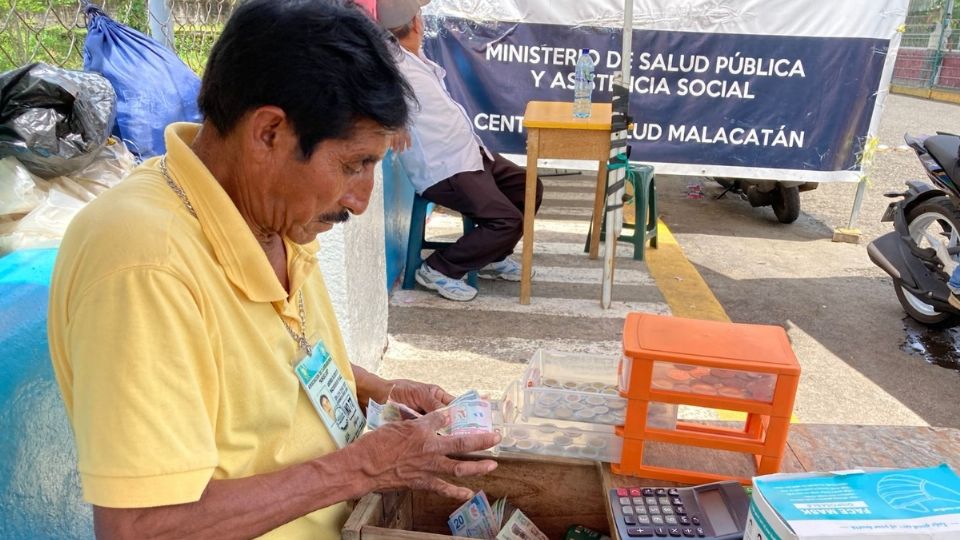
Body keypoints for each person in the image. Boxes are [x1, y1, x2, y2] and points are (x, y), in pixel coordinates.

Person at [46, 1, 500, 538]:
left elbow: (278, 361)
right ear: (268, 134)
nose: (360, 200)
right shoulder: (145, 264)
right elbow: (142, 527)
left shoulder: (272, 218)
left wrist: (381, 391)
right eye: (354, 165)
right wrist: (365, 465)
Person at [377, 0, 544, 302]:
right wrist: (392, 119)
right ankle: (439, 269)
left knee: (529, 187)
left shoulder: (414, 57)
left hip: (470, 154)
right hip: (446, 169)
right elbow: (371, 86)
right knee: (507, 221)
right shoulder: (393, 65)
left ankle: (491, 256)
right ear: (416, 23)